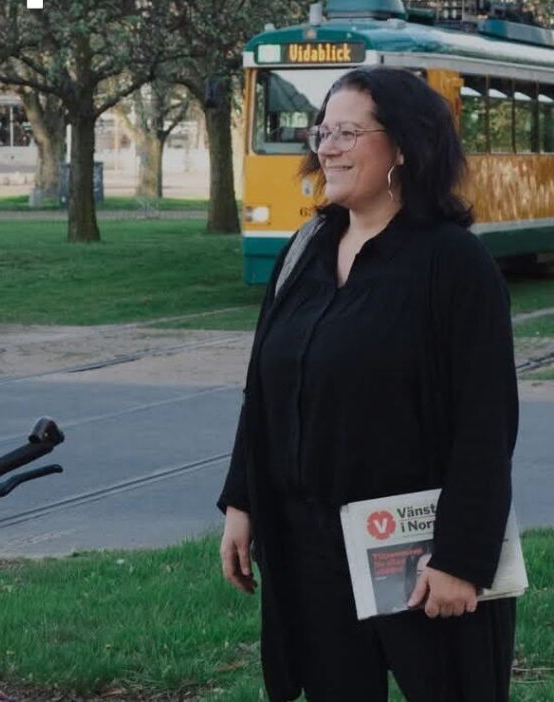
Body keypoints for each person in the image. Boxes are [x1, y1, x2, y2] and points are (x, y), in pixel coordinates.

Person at [217, 66, 518, 702]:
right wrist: (242, 503)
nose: (326, 148)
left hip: (418, 551)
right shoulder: (303, 251)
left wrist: (460, 560)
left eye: (347, 133)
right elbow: (262, 391)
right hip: (309, 548)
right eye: (322, 132)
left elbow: (486, 424)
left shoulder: (454, 264)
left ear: (403, 147)